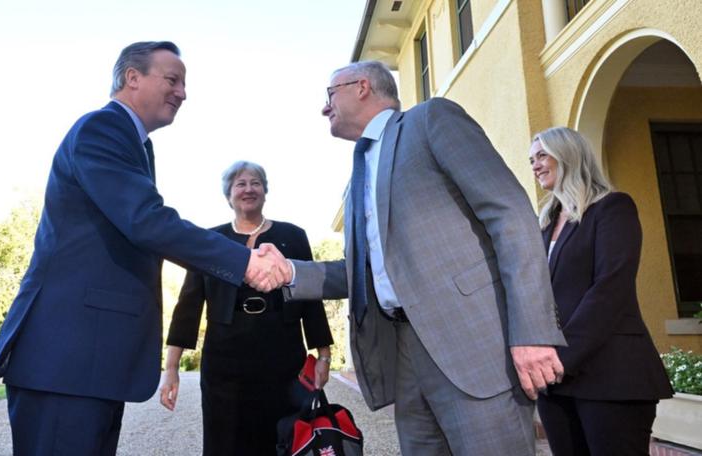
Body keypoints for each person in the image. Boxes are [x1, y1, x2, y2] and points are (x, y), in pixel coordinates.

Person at [0, 41, 284, 455]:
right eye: (172, 79)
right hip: (67, 360)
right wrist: (244, 260)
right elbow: (145, 220)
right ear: (132, 77)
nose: (182, 92)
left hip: (91, 363)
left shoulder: (138, 145)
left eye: (184, 83)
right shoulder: (101, 129)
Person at [271, 60, 567, 455]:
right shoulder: (356, 178)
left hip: (474, 350)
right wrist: (288, 271)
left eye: (330, 95)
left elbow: (509, 213)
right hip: (404, 352)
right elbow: (363, 273)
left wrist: (532, 332)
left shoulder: (430, 120)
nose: (325, 108)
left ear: (362, 87)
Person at [160, 161, 334, 456]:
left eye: (255, 182)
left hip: (283, 353)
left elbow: (310, 298)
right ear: (228, 194)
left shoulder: (293, 236)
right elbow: (188, 306)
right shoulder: (210, 241)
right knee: (225, 440)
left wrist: (324, 355)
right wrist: (171, 368)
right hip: (225, 357)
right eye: (240, 184)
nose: (248, 189)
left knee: (285, 435)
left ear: (266, 191)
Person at [528, 127, 673, 455]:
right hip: (556, 383)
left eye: (541, 156)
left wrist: (561, 358)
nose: (534, 165)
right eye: (531, 160)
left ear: (567, 155)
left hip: (612, 375)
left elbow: (610, 288)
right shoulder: (545, 224)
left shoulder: (613, 208)